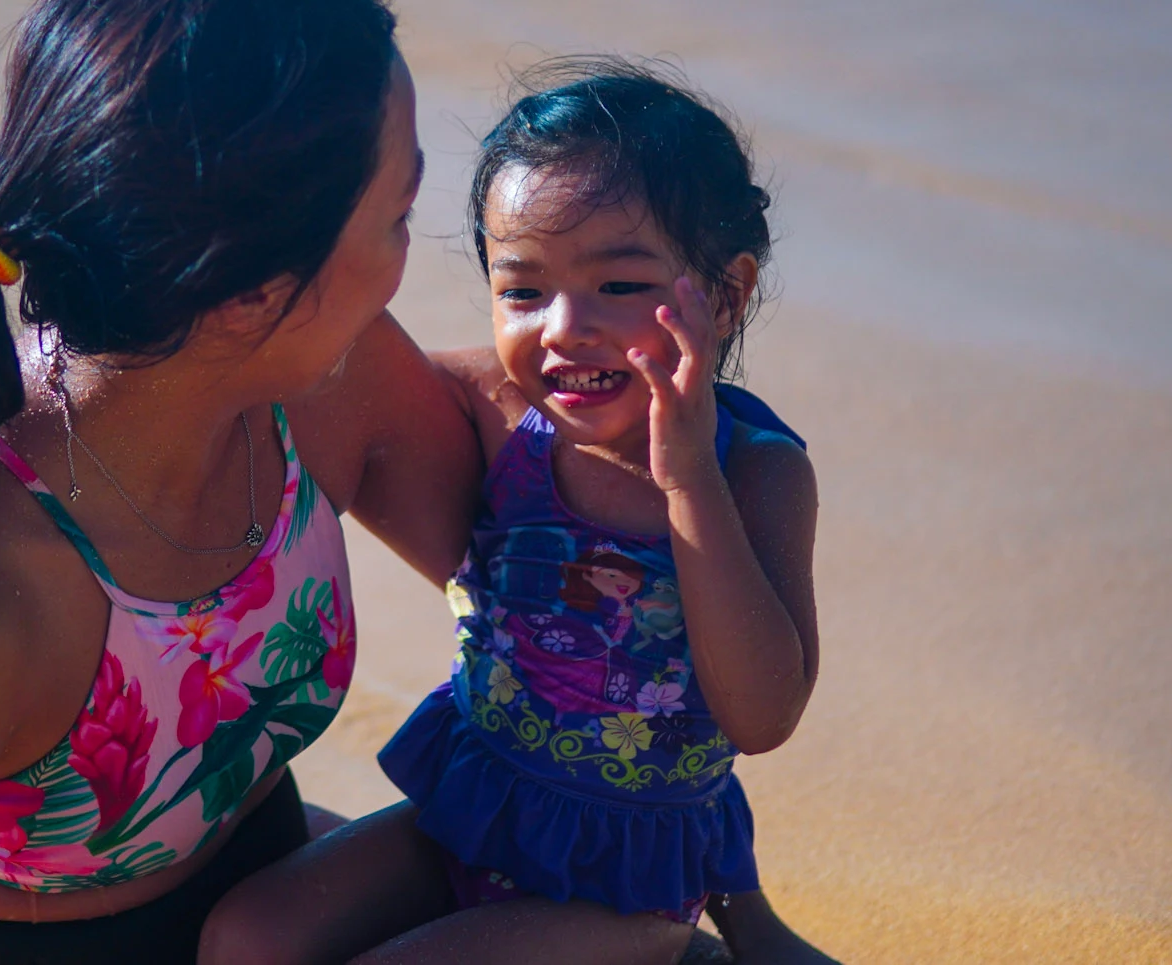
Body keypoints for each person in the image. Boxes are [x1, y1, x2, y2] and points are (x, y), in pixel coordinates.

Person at [0, 0, 480, 965]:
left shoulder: (316, 378)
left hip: (271, 905)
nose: (408, 248)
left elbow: (542, 541)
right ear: (255, 293)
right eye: (395, 218)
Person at [202, 60, 837, 965]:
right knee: (245, 937)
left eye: (618, 285)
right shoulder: (502, 409)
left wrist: (687, 475)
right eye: (523, 289)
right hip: (475, 813)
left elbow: (763, 715)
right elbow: (341, 366)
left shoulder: (756, 474)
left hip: (627, 879)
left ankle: (686, 944)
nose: (563, 327)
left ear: (726, 294)